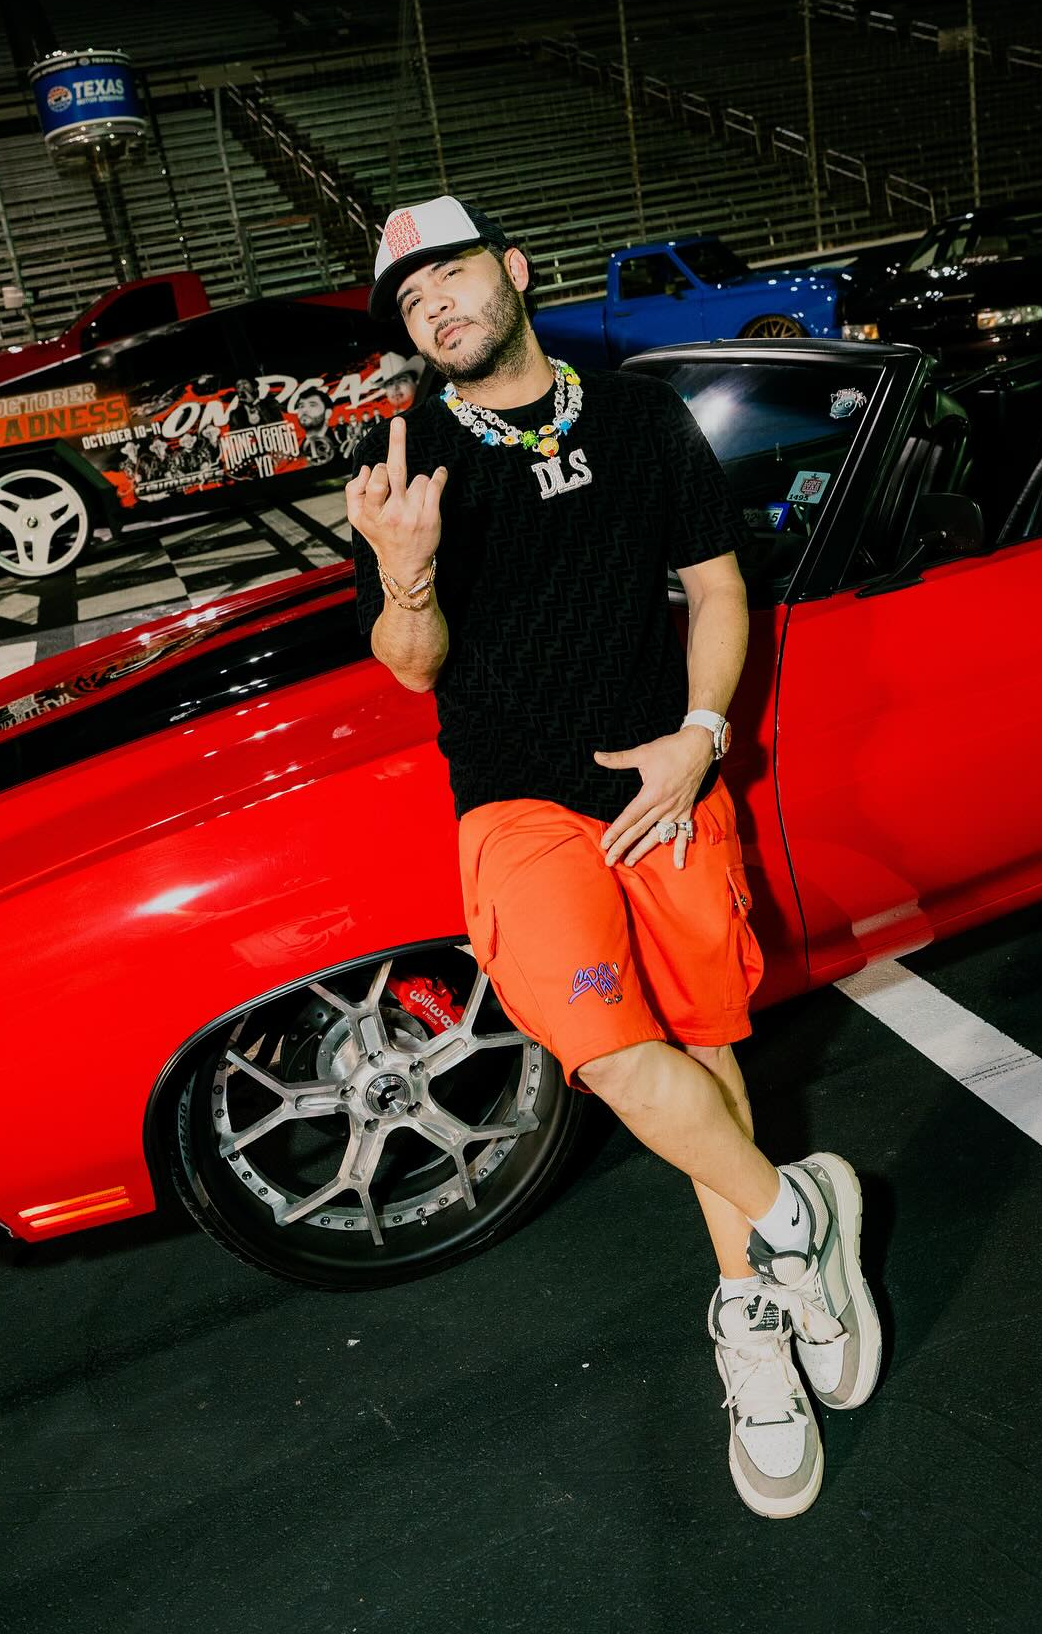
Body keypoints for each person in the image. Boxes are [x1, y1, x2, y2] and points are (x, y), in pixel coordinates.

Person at [346, 195, 882, 1520]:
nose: (436, 310)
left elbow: (715, 585)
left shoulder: (639, 416)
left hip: (664, 773)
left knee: (708, 1042)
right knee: (604, 1046)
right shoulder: (409, 455)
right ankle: (797, 1220)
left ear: (516, 272)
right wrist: (404, 574)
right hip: (519, 798)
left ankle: (755, 1333)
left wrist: (701, 741)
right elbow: (412, 670)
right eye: (412, 303)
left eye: (451, 278)